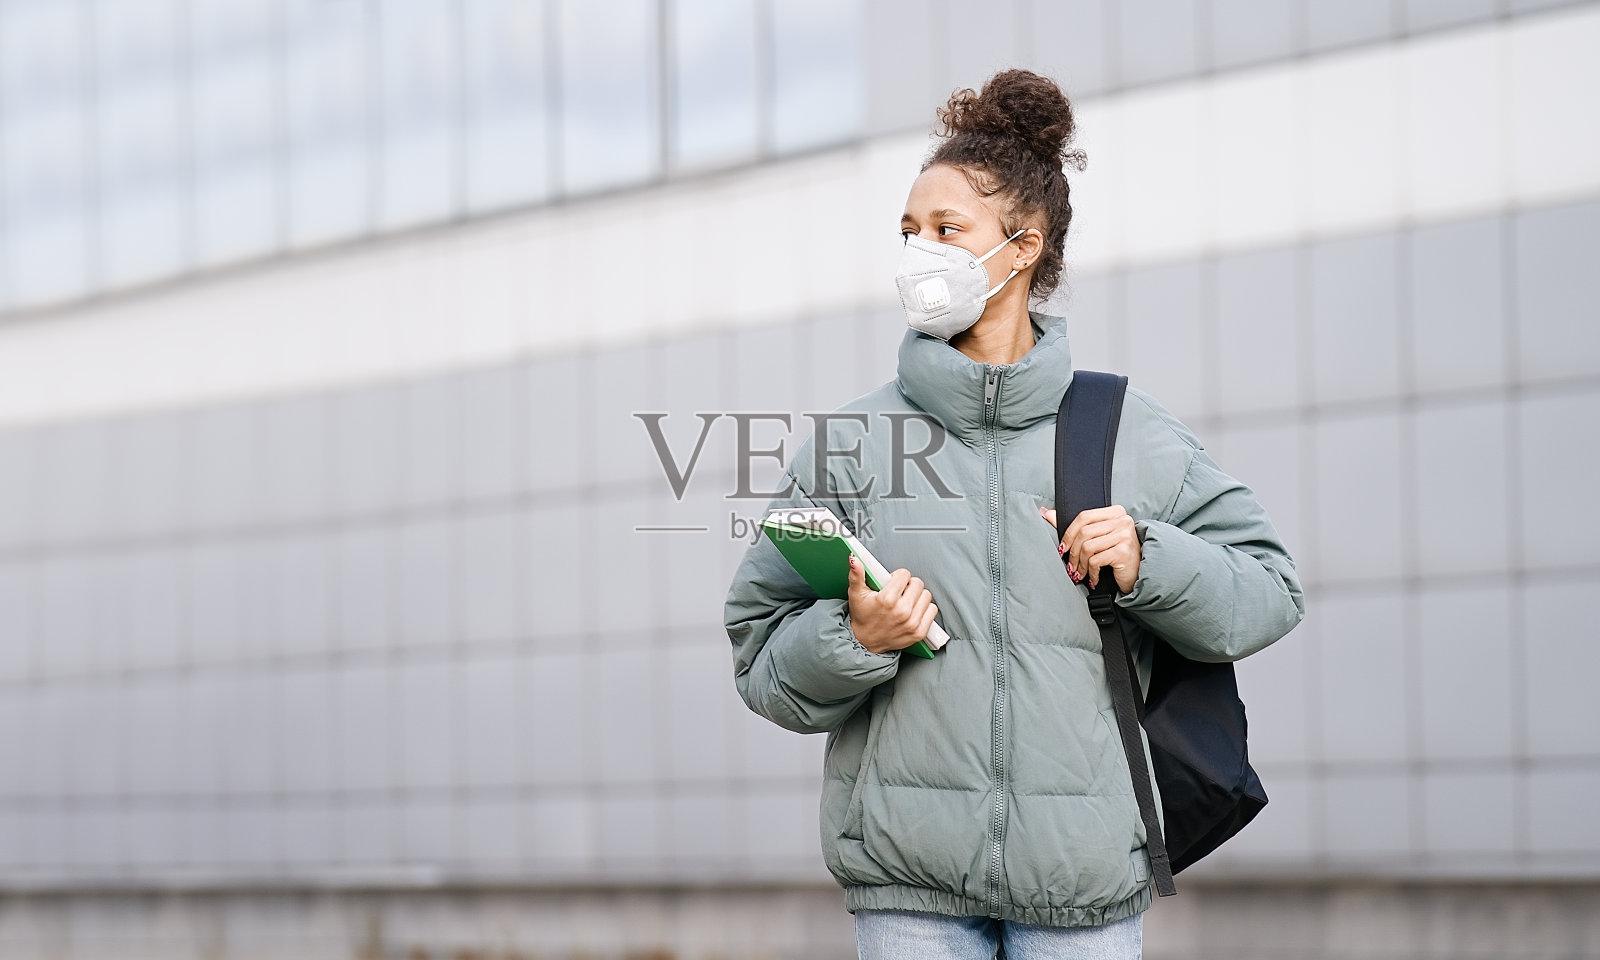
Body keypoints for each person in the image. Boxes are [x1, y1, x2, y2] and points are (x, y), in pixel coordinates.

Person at [723, 68, 1305, 960]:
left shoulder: (1130, 431)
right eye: (909, 231)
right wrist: (857, 637)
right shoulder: (853, 444)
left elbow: (1270, 590)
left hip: (1083, 888)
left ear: (1023, 246)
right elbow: (760, 649)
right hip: (908, 889)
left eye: (946, 229)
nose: (919, 251)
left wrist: (1147, 558)